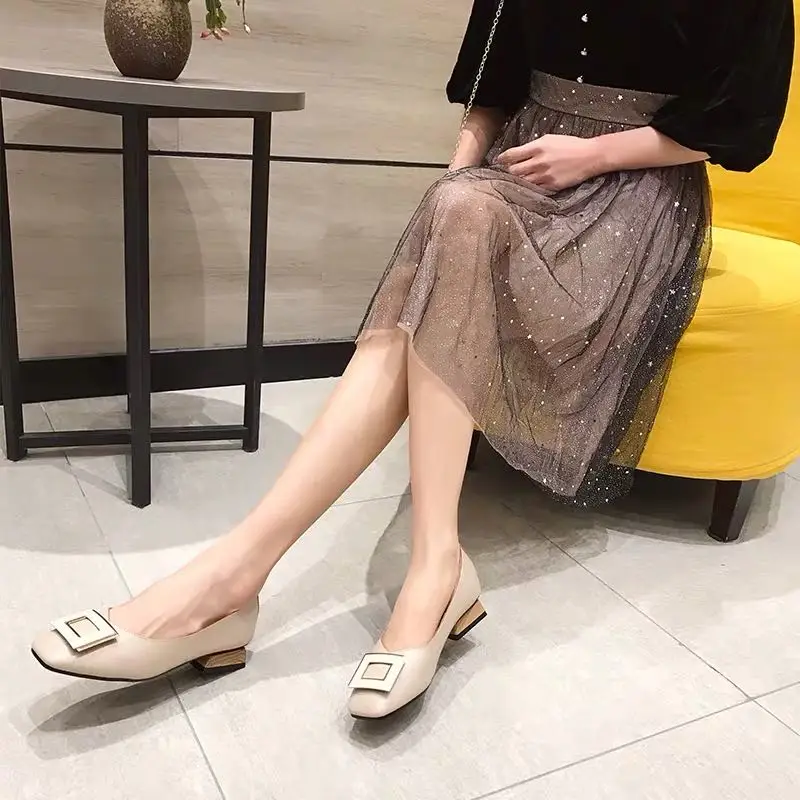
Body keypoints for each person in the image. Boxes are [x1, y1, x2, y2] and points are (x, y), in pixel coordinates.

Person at [32, 0, 794, 719]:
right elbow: (490, 93)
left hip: (637, 191)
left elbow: (744, 124)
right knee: (459, 211)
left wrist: (591, 154)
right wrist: (457, 179)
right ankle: (425, 568)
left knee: (460, 226)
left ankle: (236, 583)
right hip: (514, 174)